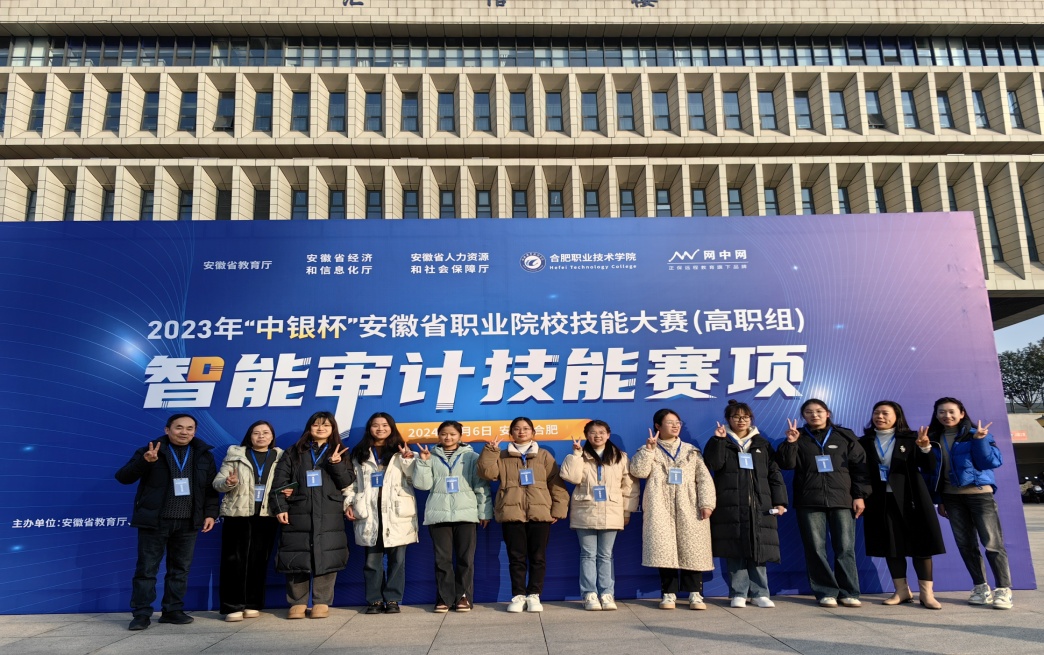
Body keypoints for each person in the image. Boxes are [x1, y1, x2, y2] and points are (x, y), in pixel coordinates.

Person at [115, 413, 219, 631]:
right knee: (147, 570)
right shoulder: (150, 450)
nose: (184, 432)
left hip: (188, 522)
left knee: (180, 570)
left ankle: (172, 611)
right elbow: (123, 477)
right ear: (167, 430)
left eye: (190, 428)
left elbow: (210, 489)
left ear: (195, 432)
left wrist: (210, 514)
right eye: (179, 427)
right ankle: (141, 614)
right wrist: (144, 462)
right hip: (155, 521)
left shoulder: (203, 455)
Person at [777, 398, 869, 608]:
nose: (814, 415)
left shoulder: (845, 436)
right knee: (815, 548)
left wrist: (859, 495)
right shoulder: (798, 436)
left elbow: (860, 467)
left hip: (842, 500)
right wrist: (791, 442)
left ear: (828, 413)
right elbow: (787, 464)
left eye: (819, 411)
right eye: (809, 412)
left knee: (845, 548)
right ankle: (826, 592)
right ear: (803, 416)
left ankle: (849, 592)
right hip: (809, 500)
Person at [928, 397, 1012, 609]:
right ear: (936, 415)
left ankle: (1003, 590)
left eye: (951, 411)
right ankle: (981, 587)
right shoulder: (933, 439)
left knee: (992, 543)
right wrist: (939, 500)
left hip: (979, 494)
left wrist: (980, 440)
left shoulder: (977, 434)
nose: (947, 416)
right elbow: (932, 473)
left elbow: (990, 462)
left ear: (962, 413)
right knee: (966, 545)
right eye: (941, 412)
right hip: (951, 498)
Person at [859, 401, 945, 609]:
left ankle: (927, 594)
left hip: (912, 499)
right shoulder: (864, 441)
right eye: (876, 413)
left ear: (897, 416)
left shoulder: (912, 438)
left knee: (921, 545)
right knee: (892, 546)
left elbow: (929, 467)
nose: (880, 417)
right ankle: (901, 591)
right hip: (881, 501)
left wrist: (924, 448)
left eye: (885, 413)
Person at [478, 416, 569, 613]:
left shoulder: (544, 456)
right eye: (517, 429)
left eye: (526, 428)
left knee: (538, 557)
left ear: (533, 433)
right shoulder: (502, 455)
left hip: (540, 513)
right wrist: (490, 451)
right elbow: (488, 474)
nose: (521, 432)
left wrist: (558, 509)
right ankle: (518, 596)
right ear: (511, 433)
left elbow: (556, 483)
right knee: (516, 557)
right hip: (512, 513)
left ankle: (534, 595)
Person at [269, 411, 354, 619]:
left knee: (327, 554)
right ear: (309, 427)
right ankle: (297, 602)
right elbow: (279, 483)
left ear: (333, 429)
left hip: (329, 512)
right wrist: (280, 508)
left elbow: (346, 482)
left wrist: (336, 464)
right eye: (316, 425)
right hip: (298, 510)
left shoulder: (339, 451)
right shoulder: (293, 452)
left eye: (326, 425)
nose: (321, 428)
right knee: (297, 555)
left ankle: (321, 601)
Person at [703, 400, 788, 608]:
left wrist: (780, 501)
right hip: (731, 504)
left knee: (759, 548)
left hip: (760, 505)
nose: (741, 421)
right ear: (728, 419)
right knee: (735, 549)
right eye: (736, 417)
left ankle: (760, 593)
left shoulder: (762, 444)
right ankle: (738, 593)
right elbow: (713, 465)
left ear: (750, 419)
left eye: (745, 417)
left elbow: (774, 474)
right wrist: (719, 441)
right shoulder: (720, 440)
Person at [629, 408, 716, 611]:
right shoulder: (648, 449)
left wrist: (706, 504)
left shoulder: (691, 451)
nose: (675, 425)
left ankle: (695, 593)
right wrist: (649, 450)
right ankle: (668, 593)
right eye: (670, 422)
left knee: (693, 548)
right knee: (664, 549)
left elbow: (704, 479)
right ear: (657, 426)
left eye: (678, 422)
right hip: (660, 505)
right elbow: (638, 472)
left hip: (689, 504)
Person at [413, 420, 493, 612]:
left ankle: (463, 597)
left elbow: (481, 486)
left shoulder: (472, 457)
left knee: (466, 559)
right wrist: (423, 462)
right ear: (438, 436)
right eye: (443, 434)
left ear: (460, 436)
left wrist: (484, 512)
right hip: (439, 515)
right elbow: (422, 485)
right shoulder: (429, 456)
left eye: (452, 434)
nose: (447, 437)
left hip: (466, 514)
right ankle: (444, 598)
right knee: (442, 560)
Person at [559, 419, 639, 611]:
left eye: (601, 432)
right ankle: (589, 594)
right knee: (587, 554)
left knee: (606, 555)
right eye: (593, 432)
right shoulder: (580, 455)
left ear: (608, 435)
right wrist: (576, 455)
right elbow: (571, 477)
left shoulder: (621, 457)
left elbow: (630, 486)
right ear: (587, 435)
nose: (597, 436)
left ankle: (607, 593)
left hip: (612, 511)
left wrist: (627, 511)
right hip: (585, 510)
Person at [345, 412, 419, 615]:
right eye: (375, 425)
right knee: (372, 561)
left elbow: (415, 480)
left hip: (396, 512)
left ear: (391, 427)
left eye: (385, 425)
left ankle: (393, 599)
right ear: (369, 428)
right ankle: (375, 600)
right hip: (370, 512)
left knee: (398, 560)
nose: (380, 429)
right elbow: (351, 484)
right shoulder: (359, 453)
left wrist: (408, 461)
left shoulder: (402, 451)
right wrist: (349, 503)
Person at [212, 420, 284, 621]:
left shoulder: (280, 457)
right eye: (256, 433)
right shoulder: (235, 455)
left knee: (259, 560)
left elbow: (286, 482)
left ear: (272, 436)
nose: (261, 436)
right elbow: (217, 483)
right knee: (233, 561)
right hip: (238, 514)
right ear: (249, 436)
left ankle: (252, 603)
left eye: (265, 432)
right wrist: (228, 482)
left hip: (267, 515)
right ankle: (232, 606)